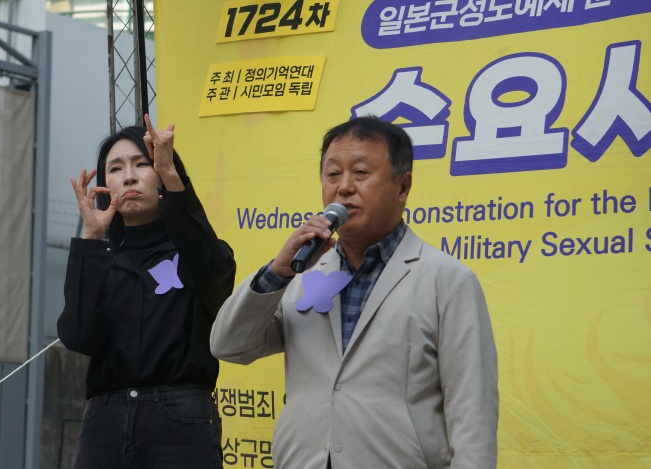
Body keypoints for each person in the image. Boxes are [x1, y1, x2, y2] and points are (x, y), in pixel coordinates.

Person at [210, 116, 498, 469]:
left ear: (403, 186)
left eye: (361, 173)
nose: (344, 187)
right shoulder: (301, 274)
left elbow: (472, 411)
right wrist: (276, 272)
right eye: (333, 174)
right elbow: (229, 345)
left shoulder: (447, 280)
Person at [57, 115, 236, 469]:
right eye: (115, 168)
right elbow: (77, 336)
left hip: (180, 420)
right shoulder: (100, 259)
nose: (129, 177)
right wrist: (90, 239)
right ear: (104, 184)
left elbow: (216, 276)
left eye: (142, 164)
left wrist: (171, 175)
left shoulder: (194, 252)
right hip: (105, 421)